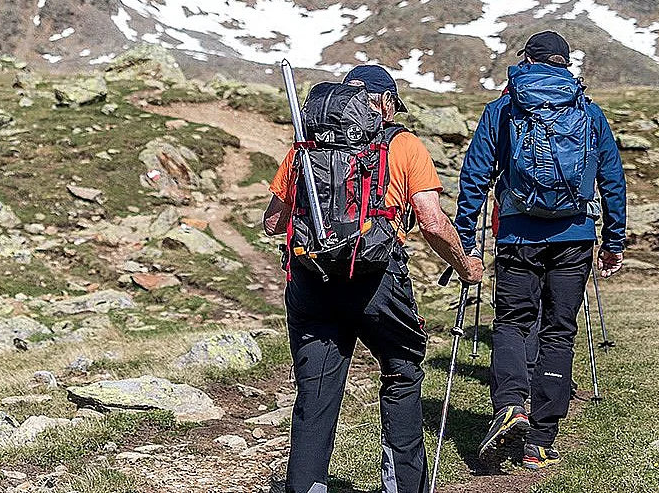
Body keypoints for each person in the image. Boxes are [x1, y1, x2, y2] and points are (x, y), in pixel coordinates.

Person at [261, 64, 484, 493]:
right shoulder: (403, 145)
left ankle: (306, 486)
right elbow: (433, 222)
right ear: (383, 102)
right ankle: (402, 486)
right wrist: (466, 266)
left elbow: (273, 223)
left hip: (312, 280)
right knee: (401, 371)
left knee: (316, 390)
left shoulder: (304, 147)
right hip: (377, 279)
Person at [453, 30, 628, 470]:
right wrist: (613, 242)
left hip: (517, 235)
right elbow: (612, 179)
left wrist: (466, 241)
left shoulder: (504, 109)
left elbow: (474, 175)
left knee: (512, 323)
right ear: (565, 64)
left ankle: (511, 403)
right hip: (575, 235)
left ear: (526, 60)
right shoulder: (587, 112)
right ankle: (540, 440)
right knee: (558, 331)